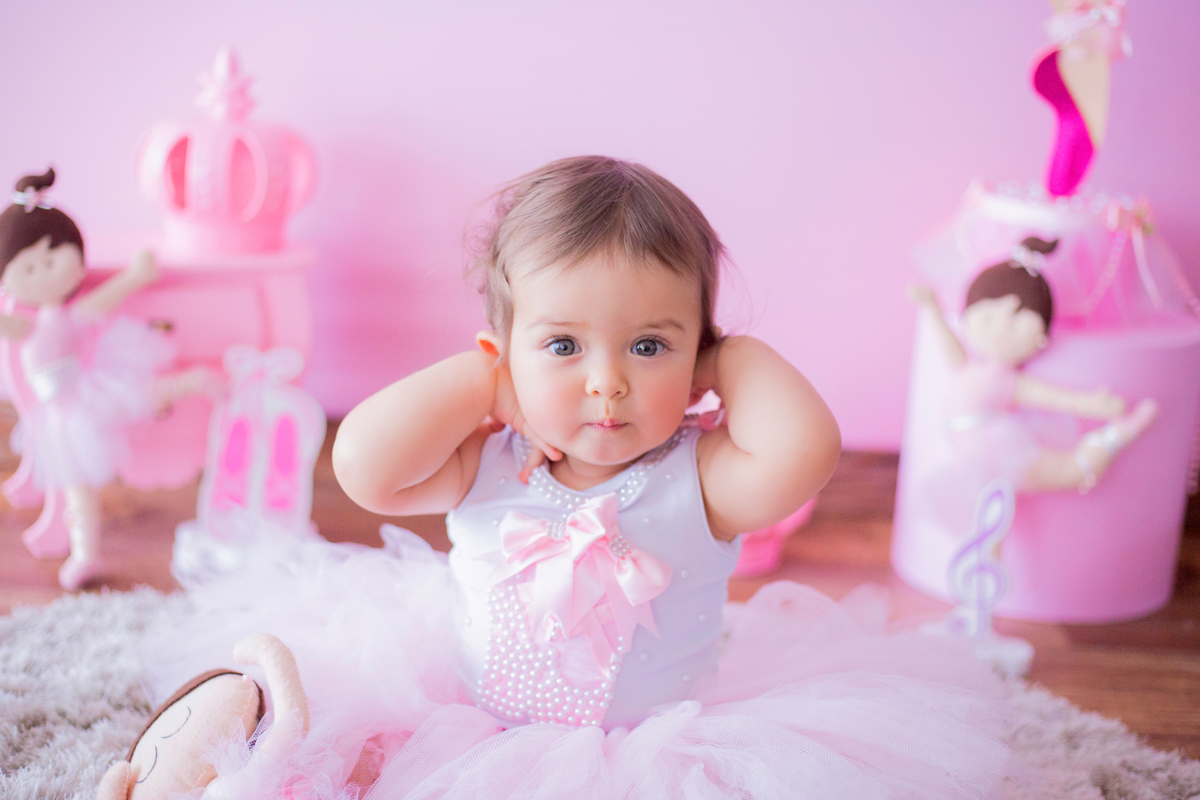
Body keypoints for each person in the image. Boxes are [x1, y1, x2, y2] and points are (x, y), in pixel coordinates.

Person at [140, 157, 1010, 799]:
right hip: (479, 730)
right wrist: (484, 381)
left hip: (659, 746)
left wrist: (733, 356)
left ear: (699, 359)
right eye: (562, 345)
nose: (608, 380)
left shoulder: (704, 478)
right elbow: (363, 467)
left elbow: (807, 448)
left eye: (650, 345)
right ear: (505, 356)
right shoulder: (481, 465)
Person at [0, 168, 213, 589]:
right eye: (28, 267)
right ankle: (85, 553)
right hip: (59, 416)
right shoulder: (27, 325)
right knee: (79, 484)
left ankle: (195, 382)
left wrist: (136, 276)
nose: (42, 273)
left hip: (83, 395)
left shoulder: (70, 317)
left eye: (51, 259)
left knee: (142, 396)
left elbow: (102, 300)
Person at [909, 236, 1157, 495]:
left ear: (1040, 339)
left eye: (1016, 323)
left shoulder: (1008, 381)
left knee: (1066, 471)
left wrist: (1093, 404)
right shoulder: (969, 367)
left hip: (997, 449)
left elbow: (1056, 398)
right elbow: (952, 351)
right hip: (974, 452)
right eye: (988, 319)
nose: (1000, 331)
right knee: (984, 504)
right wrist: (932, 307)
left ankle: (1117, 434)